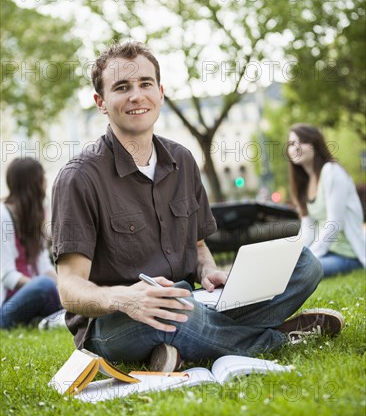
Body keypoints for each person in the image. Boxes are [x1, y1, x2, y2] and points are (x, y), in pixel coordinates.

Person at [52, 41, 344, 371]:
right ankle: (276, 337)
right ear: (101, 102)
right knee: (175, 311)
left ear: (160, 93)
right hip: (118, 323)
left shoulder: (182, 160)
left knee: (305, 264)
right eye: (122, 87)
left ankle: (182, 350)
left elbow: (199, 245)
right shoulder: (78, 178)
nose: (137, 96)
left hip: (192, 302)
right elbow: (70, 288)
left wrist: (208, 271)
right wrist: (126, 298)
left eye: (145, 84)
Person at [287, 123, 365, 277]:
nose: (296, 147)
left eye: (302, 141)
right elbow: (307, 232)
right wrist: (292, 256)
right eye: (291, 144)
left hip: (348, 255)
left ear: (315, 144)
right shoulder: (304, 184)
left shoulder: (331, 172)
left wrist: (310, 258)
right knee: (288, 268)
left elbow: (334, 224)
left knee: (298, 272)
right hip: (325, 254)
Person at [1, 158, 63, 329]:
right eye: (42, 178)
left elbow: (44, 264)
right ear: (31, 183)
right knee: (44, 284)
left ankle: (47, 319)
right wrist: (48, 288)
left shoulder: (35, 215)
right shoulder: (2, 215)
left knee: (56, 285)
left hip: (35, 294)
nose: (45, 184)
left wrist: (66, 287)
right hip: (6, 307)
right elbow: (8, 276)